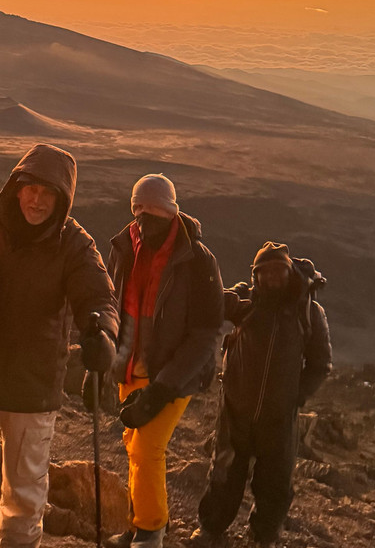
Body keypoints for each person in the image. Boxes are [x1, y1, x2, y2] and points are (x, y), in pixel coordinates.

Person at [0, 143, 119, 548]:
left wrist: (103, 334)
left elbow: (98, 297)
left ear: (63, 200)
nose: (37, 200)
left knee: (26, 487)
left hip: (32, 384)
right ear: (16, 187)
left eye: (49, 193)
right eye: (31, 188)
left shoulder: (73, 243)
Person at [105, 174, 224, 548]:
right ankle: (140, 521)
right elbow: (112, 306)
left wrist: (162, 388)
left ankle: (151, 531)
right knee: (133, 444)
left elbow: (205, 333)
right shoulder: (123, 247)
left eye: (154, 212)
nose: (145, 220)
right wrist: (105, 359)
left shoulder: (198, 260)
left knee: (147, 448)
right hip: (129, 366)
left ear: (172, 212)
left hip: (172, 374)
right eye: (139, 210)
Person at [190, 242, 332, 548]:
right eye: (263, 272)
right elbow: (213, 305)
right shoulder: (247, 303)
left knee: (275, 483)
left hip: (279, 417)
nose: (271, 278)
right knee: (224, 474)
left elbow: (320, 363)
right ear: (254, 276)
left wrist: (295, 397)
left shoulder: (307, 312)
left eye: (278, 271)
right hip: (236, 410)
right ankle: (211, 529)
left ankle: (262, 538)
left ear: (289, 272)